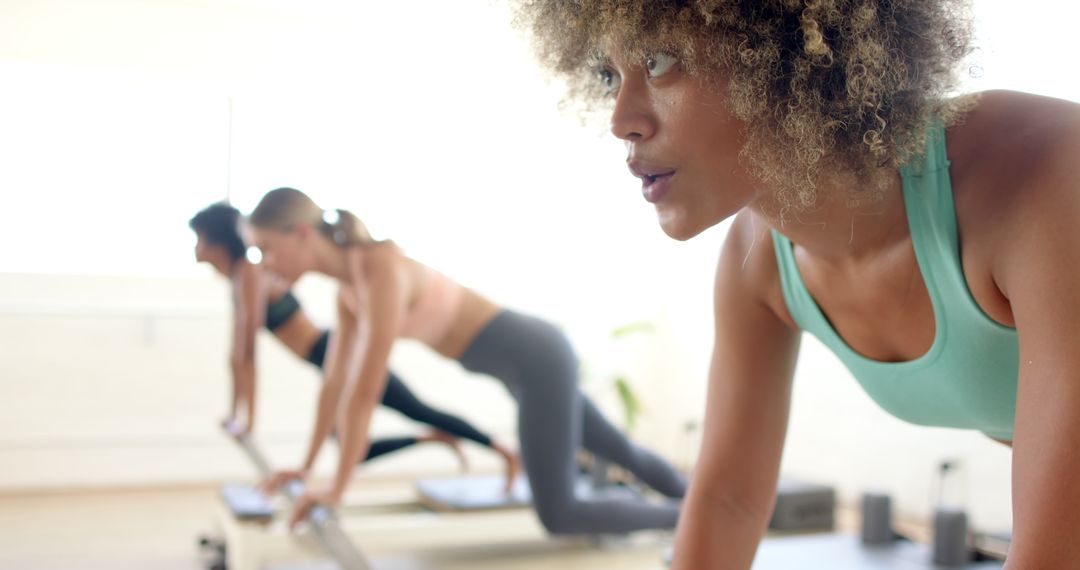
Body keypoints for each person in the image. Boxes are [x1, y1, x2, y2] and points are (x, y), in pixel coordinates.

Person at [515, 1, 1080, 567]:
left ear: (785, 57)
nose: (621, 120)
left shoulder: (1044, 175)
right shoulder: (757, 259)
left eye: (659, 61)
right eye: (610, 75)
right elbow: (727, 501)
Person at [249, 187, 687, 535]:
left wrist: (336, 490)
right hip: (527, 368)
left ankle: (696, 519)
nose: (266, 264)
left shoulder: (378, 268)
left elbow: (364, 391)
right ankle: (721, 507)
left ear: (302, 234)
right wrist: (307, 470)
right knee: (619, 449)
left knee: (560, 514)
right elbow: (334, 385)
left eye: (267, 248)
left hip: (538, 357)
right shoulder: (348, 295)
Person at [189, 202, 517, 471]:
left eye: (198, 240)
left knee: (417, 409)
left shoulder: (250, 273)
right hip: (320, 357)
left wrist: (248, 420)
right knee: (356, 444)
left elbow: (246, 354)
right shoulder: (242, 279)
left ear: (216, 240)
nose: (195, 250)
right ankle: (433, 439)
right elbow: (237, 356)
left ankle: (502, 450)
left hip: (328, 348)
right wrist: (238, 414)